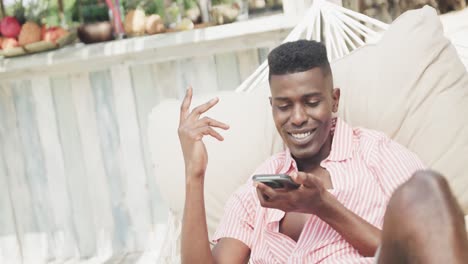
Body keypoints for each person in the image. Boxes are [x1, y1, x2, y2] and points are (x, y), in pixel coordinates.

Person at [177, 40, 468, 263]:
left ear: (334, 100)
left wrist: (323, 206)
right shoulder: (258, 188)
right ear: (273, 108)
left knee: (428, 189)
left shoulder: (376, 155)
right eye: (284, 106)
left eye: (312, 101)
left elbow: (421, 252)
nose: (298, 117)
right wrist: (194, 173)